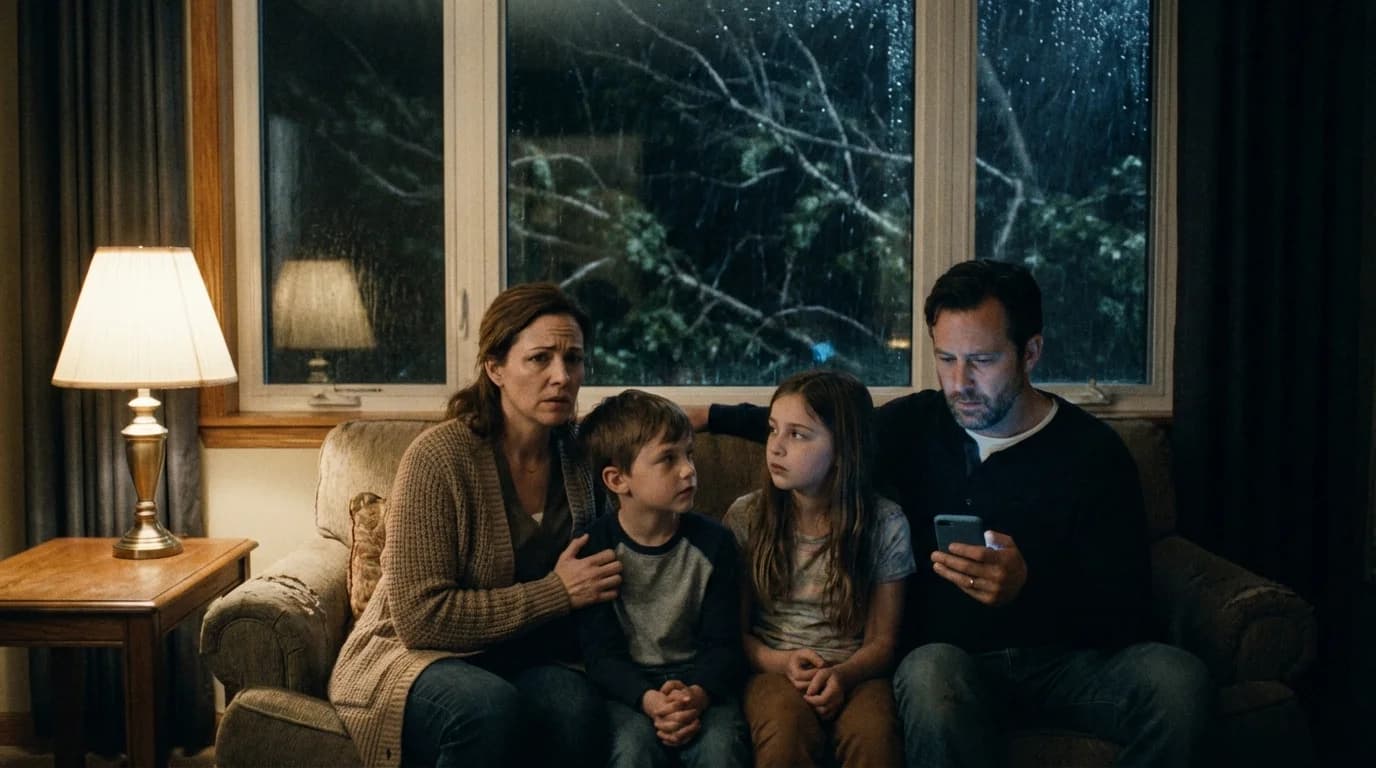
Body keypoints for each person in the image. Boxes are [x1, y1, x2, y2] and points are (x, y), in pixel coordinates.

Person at [703, 260, 1213, 767]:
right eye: (946, 358)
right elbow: (823, 428)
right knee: (930, 673)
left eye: (983, 360)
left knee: (1179, 681)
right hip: (952, 665)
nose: (960, 381)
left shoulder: (1093, 454)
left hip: (1071, 665)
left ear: (1030, 351)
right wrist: (706, 416)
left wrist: (1028, 587)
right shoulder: (917, 424)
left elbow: (1128, 613)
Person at [328, 283, 623, 768]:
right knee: (487, 709)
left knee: (578, 712)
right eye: (540, 359)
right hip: (412, 655)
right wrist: (556, 592)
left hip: (526, 655)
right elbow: (420, 619)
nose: (562, 376)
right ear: (495, 368)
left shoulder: (581, 454)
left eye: (574, 359)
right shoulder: (439, 458)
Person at [723, 370, 915, 768]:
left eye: (797, 434)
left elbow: (883, 641)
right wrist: (781, 663)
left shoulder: (886, 523)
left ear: (844, 449)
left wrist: (843, 676)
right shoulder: (746, 517)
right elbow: (734, 633)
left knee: (874, 736)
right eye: (773, 430)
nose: (775, 447)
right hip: (773, 667)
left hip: (857, 671)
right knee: (785, 729)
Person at [576, 389, 750, 768]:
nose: (688, 469)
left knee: (721, 749)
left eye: (690, 454)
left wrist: (696, 695)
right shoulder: (594, 551)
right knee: (632, 751)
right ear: (618, 479)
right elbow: (600, 655)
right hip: (629, 690)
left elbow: (725, 645)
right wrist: (649, 699)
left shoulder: (715, 543)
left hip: (702, 684)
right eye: (668, 459)